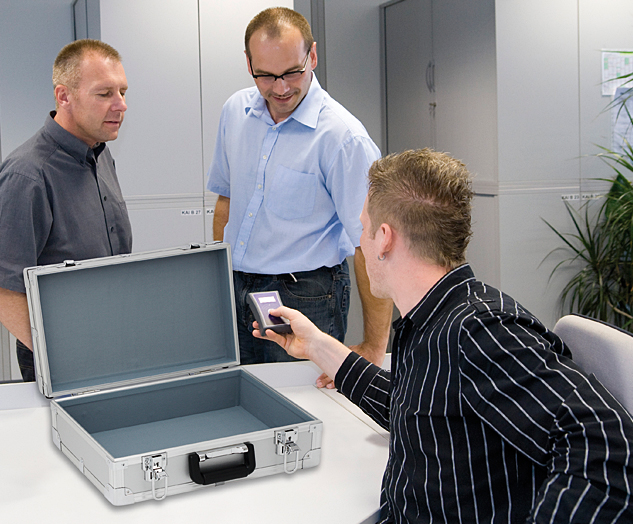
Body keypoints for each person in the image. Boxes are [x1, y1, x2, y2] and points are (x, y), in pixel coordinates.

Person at [255, 149, 633, 522]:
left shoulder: (480, 330)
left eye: (363, 229)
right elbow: (414, 408)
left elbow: (609, 445)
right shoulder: (431, 320)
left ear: (384, 238)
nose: (361, 244)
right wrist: (317, 345)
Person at [207, 7, 392, 377]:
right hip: (238, 287)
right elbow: (226, 200)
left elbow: (371, 244)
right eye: (266, 75)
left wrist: (375, 345)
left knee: (302, 400)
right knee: (240, 392)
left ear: (313, 56)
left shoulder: (342, 138)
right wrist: (218, 279)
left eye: (293, 72)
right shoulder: (235, 112)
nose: (281, 88)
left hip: (306, 294)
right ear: (248, 63)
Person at [0, 39, 132, 382]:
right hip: (63, 357)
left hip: (109, 342)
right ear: (64, 96)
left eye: (122, 91)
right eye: (104, 93)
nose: (121, 104)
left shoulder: (101, 155)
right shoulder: (27, 174)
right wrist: (56, 354)